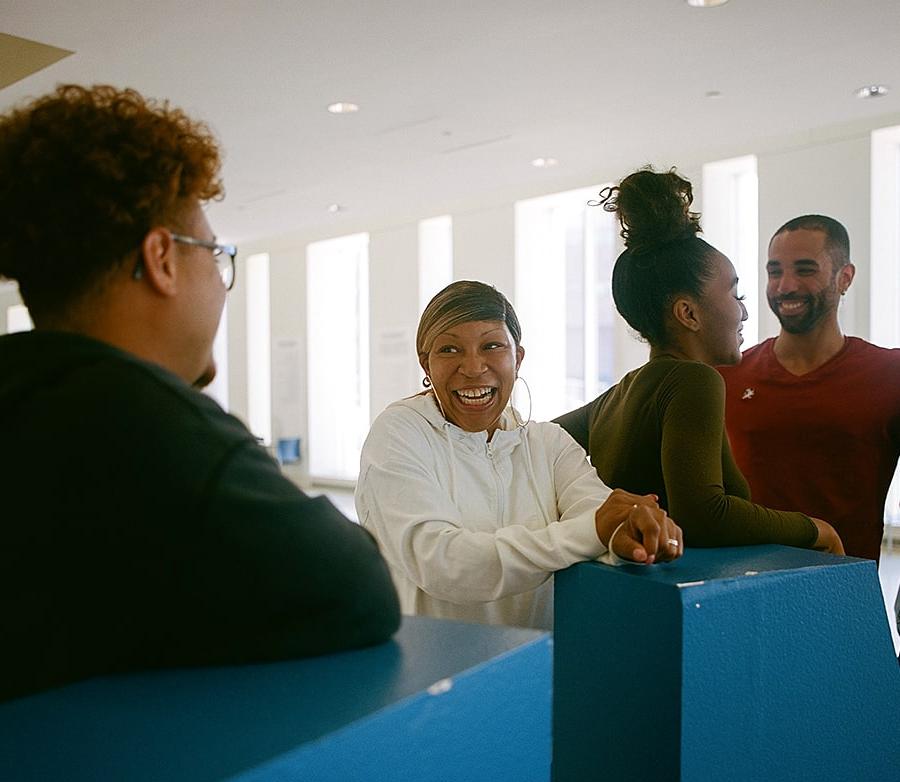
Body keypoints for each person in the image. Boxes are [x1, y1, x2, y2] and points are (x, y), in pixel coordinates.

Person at [0, 84, 400, 702]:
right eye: (215, 255)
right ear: (161, 258)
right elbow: (360, 589)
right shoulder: (155, 431)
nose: (221, 282)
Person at [355, 280, 683, 629]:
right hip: (434, 670)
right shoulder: (399, 435)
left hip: (536, 665)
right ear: (426, 365)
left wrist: (632, 533)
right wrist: (592, 531)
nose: (472, 367)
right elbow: (444, 564)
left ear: (518, 357)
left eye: (492, 345)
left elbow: (599, 517)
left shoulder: (547, 443)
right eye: (449, 350)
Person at [554, 167, 844, 556]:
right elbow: (704, 514)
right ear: (688, 314)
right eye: (734, 294)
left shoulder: (618, 395)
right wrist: (815, 530)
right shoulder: (694, 380)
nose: (743, 313)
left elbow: (541, 442)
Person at [719, 215, 900, 562]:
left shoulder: (889, 374)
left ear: (844, 278)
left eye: (805, 270)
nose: (786, 286)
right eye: (774, 272)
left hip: (844, 592)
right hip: (744, 589)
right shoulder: (729, 375)